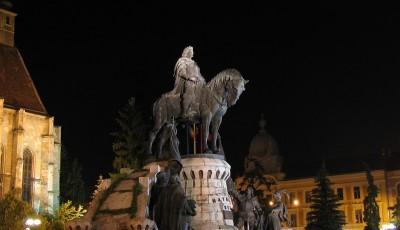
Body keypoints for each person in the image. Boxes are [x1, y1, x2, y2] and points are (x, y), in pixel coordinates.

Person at [172, 46, 206, 118]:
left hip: (196, 82)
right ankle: (184, 112)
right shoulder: (182, 60)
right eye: (192, 52)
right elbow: (181, 72)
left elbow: (198, 74)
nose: (193, 53)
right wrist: (190, 78)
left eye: (193, 52)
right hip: (186, 81)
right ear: (188, 53)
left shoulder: (194, 63)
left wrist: (202, 80)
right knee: (190, 89)